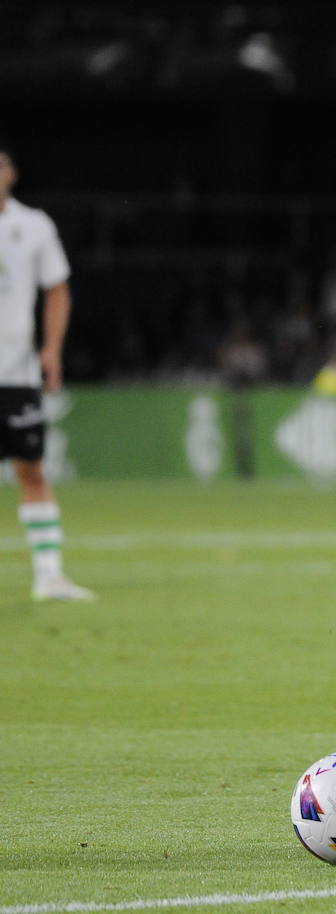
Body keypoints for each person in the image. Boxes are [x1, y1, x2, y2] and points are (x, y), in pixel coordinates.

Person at [0, 141, 94, 602]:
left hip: (15, 373)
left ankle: (49, 575)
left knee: (32, 470)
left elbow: (57, 289)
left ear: (11, 173)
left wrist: (51, 350)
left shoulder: (33, 226)